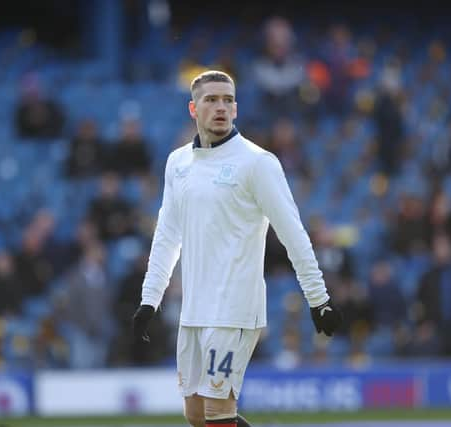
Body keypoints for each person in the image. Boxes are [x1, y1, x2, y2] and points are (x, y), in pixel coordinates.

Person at [131, 70, 342, 427]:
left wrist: (319, 300)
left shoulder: (257, 163)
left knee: (217, 411)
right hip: (194, 309)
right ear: (193, 109)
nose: (220, 107)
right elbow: (167, 236)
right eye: (211, 99)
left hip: (234, 309)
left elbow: (293, 233)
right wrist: (150, 299)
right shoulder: (177, 164)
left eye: (228, 100)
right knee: (196, 415)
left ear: (237, 109)